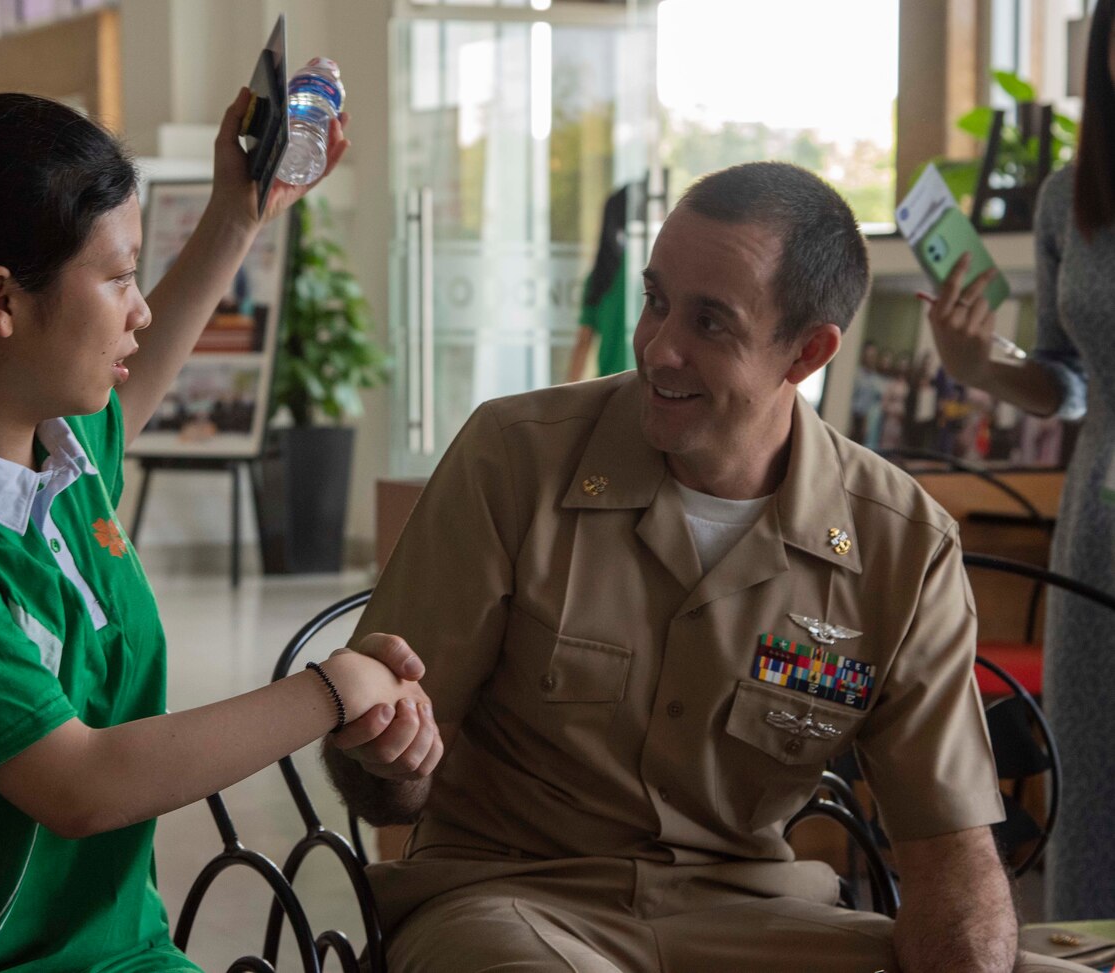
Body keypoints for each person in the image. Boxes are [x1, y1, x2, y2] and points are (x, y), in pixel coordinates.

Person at [324, 162, 1086, 973]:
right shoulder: (513, 459)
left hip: (756, 921)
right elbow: (379, 782)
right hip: (506, 903)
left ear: (808, 352)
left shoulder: (900, 543)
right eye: (656, 300)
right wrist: (387, 759)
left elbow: (949, 853)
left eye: (710, 323)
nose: (660, 347)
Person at [0, 92, 425, 971]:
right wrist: (329, 690)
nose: (140, 308)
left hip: (112, 951)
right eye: (118, 278)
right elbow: (77, 785)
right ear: (1, 300)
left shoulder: (60, 455)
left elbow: (141, 370)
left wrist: (240, 214)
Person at [924, 0, 1115, 920]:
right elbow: (1069, 382)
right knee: (1094, 796)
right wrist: (979, 362)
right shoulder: (1073, 198)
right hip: (1099, 534)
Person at [567, 186, 634, 382]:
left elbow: (583, 343)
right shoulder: (652, 271)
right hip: (643, 388)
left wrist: (563, 400)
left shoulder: (600, 276)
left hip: (608, 389)